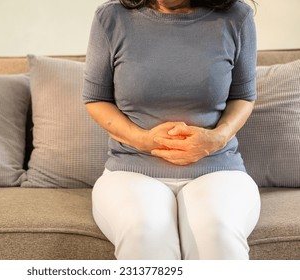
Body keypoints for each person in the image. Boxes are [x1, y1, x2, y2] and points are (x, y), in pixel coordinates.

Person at [82, 0, 260, 260]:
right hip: (131, 169)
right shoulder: (111, 17)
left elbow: (244, 97)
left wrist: (216, 138)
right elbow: (96, 99)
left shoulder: (237, 17)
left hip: (218, 168)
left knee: (216, 233)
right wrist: (142, 140)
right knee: (145, 233)